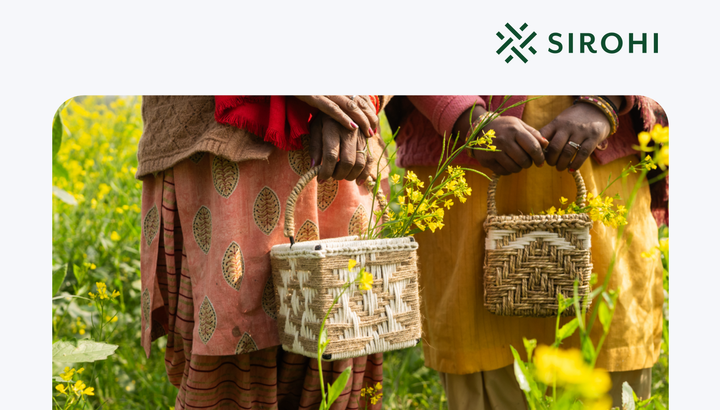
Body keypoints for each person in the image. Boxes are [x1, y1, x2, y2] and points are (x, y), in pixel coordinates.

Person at [386, 95, 668, 409]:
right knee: (482, 354)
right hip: (467, 160)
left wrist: (606, 101)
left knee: (607, 343)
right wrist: (466, 118)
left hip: (599, 151)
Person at [136, 95, 390, 410]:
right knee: (233, 357)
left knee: (340, 345)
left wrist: (352, 102)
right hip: (223, 153)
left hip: (339, 155)